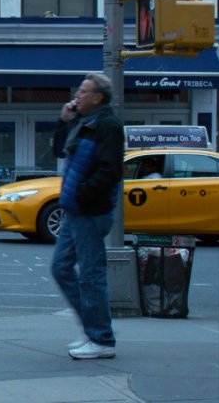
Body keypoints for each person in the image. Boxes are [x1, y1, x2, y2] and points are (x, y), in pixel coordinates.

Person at [51, 73, 123, 360]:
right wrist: (64, 121)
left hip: (90, 211)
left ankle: (101, 338)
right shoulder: (83, 122)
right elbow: (59, 150)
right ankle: (92, 328)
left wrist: (81, 193)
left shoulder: (108, 125)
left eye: (83, 92)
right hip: (75, 210)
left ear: (98, 98)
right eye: (78, 91)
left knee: (91, 276)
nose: (77, 96)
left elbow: (110, 172)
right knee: (61, 268)